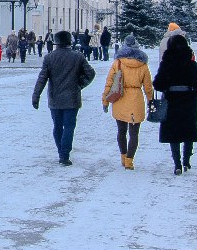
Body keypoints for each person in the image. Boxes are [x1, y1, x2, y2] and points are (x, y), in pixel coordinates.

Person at [152, 34, 197, 175]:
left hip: (172, 102)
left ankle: (177, 164)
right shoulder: (191, 64)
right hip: (189, 101)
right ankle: (187, 161)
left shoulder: (166, 64)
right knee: (188, 131)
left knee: (173, 133)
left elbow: (157, 84)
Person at [31, 30, 96, 166]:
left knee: (57, 126)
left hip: (55, 98)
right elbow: (90, 73)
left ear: (56, 42)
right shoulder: (77, 56)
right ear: (69, 42)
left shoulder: (49, 58)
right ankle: (64, 154)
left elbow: (42, 78)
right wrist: (79, 84)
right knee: (69, 126)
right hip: (72, 98)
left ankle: (61, 150)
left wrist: (36, 95)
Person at [101, 33, 153, 170]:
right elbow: (148, 86)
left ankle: (123, 157)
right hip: (136, 98)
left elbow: (109, 83)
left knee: (121, 130)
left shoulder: (117, 62)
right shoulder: (143, 64)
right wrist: (150, 100)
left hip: (120, 97)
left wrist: (105, 101)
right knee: (134, 133)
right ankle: (130, 160)